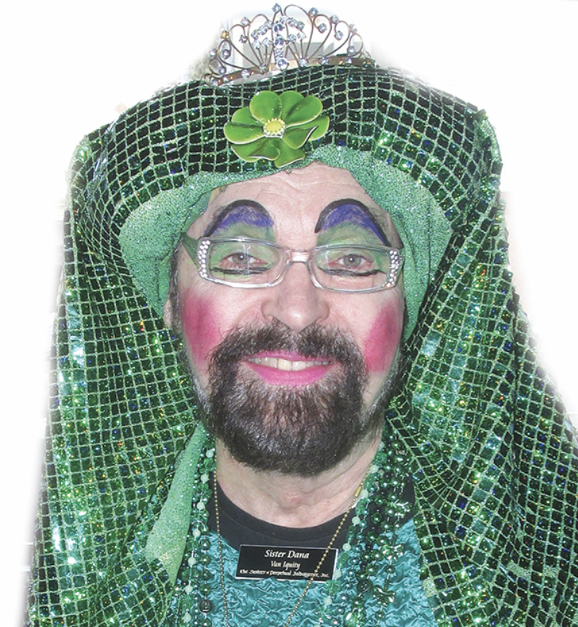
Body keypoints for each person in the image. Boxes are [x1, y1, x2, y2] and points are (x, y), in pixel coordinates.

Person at [26, 5, 578, 626]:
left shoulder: (525, 582)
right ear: (170, 300)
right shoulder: (103, 579)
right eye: (239, 258)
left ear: (411, 302)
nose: (295, 308)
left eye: (350, 260)